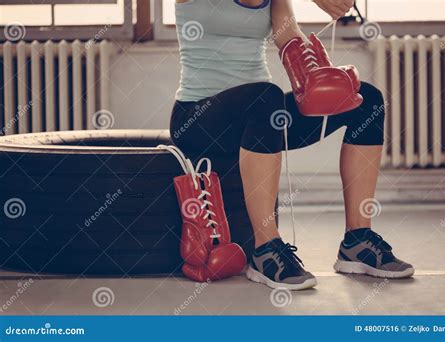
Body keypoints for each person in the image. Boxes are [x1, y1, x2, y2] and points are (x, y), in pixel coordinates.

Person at [171, 0, 414, 290]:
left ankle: (357, 239)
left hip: (261, 117)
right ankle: (265, 249)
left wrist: (315, 78)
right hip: (198, 117)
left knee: (366, 101)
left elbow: (289, 38)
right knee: (265, 97)